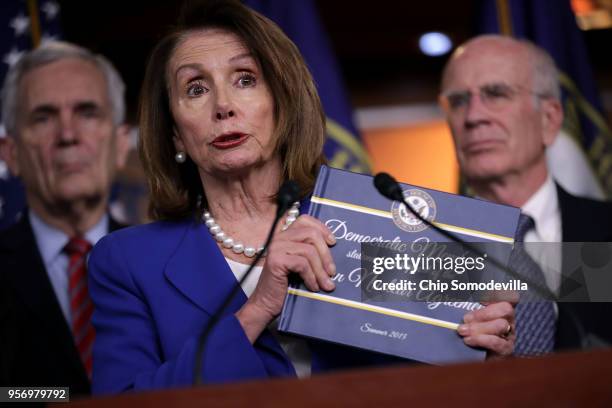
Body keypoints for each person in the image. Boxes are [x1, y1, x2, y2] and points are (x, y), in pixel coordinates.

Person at [87, 0, 515, 394]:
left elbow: (420, 388)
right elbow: (121, 403)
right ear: (176, 131)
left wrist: (478, 360)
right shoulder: (127, 262)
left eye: (245, 79)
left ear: (283, 103)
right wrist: (257, 311)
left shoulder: (371, 225)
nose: (223, 106)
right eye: (196, 88)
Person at [440, 34, 612, 351]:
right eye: (459, 101)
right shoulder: (420, 249)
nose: (474, 117)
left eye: (496, 93)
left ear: (549, 119)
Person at [0, 42, 131, 395]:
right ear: (11, 153)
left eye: (87, 113)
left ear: (121, 144)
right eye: (43, 118)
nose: (68, 136)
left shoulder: (165, 264)